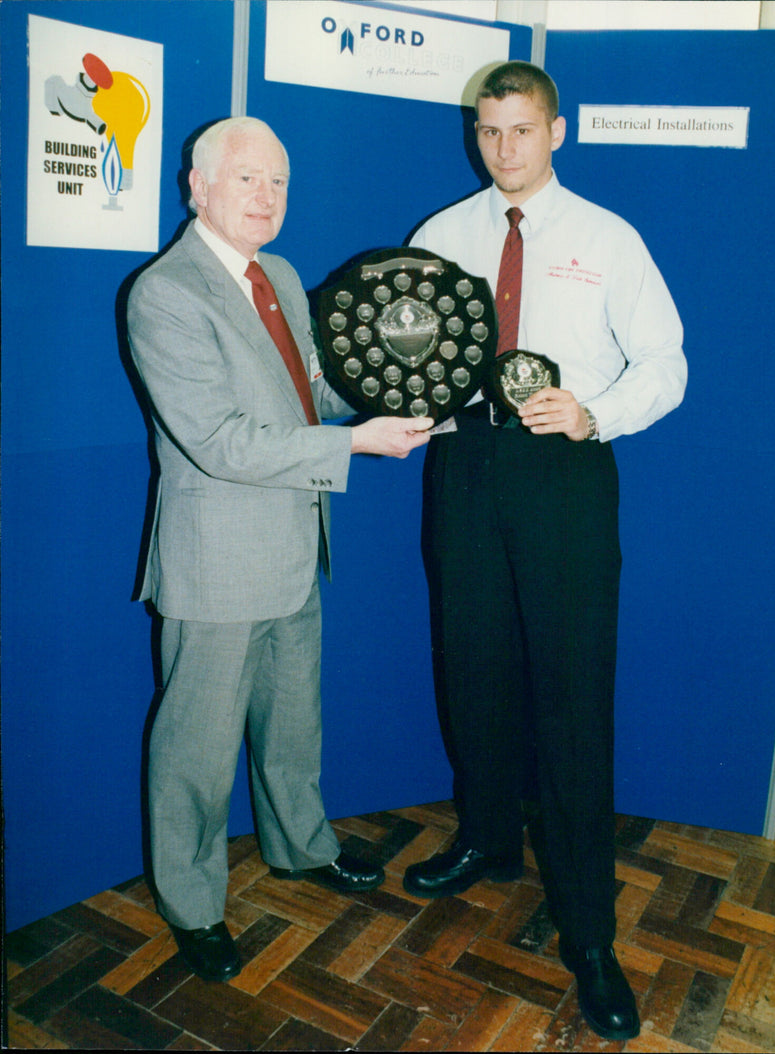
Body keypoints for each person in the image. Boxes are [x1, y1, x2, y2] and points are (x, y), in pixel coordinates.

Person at [402, 63, 686, 1042]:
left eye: (520, 131)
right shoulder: (441, 236)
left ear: (555, 131)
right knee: (468, 664)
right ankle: (483, 834)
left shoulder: (607, 239)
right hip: (466, 467)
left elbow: (666, 361)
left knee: (568, 695)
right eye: (487, 132)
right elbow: (414, 357)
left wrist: (594, 410)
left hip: (563, 468)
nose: (503, 150)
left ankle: (588, 929)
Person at [127, 116, 431, 984]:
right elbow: (220, 440)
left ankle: (301, 846)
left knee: (295, 723)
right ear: (198, 186)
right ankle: (191, 903)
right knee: (195, 746)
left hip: (296, 541)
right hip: (218, 558)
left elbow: (311, 389)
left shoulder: (285, 277)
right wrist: (356, 446)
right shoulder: (165, 293)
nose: (266, 198)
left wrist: (401, 379)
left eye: (278, 182)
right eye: (247, 179)